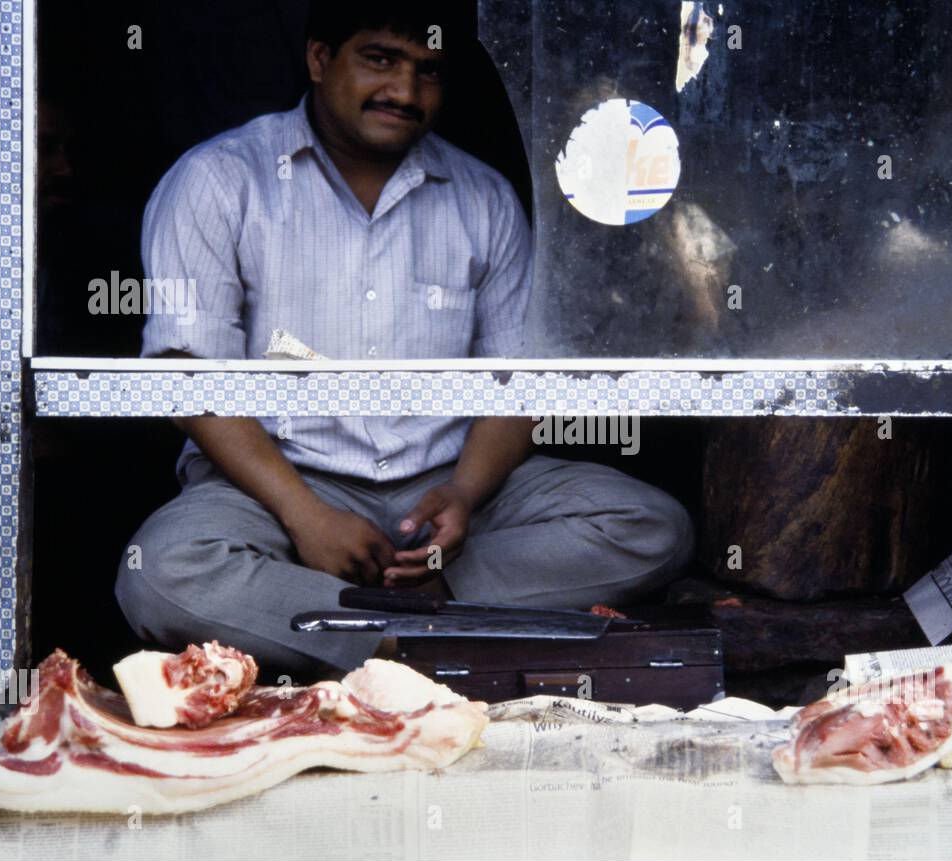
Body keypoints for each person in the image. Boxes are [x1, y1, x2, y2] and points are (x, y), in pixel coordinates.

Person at [115, 2, 696, 681]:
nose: (405, 92)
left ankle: (399, 619)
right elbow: (190, 378)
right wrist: (307, 516)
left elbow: (518, 386)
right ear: (319, 59)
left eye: (429, 71)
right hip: (275, 487)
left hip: (440, 491)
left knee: (652, 525)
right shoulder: (219, 180)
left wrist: (465, 496)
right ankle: (431, 641)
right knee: (160, 571)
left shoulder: (483, 198)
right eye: (380, 60)